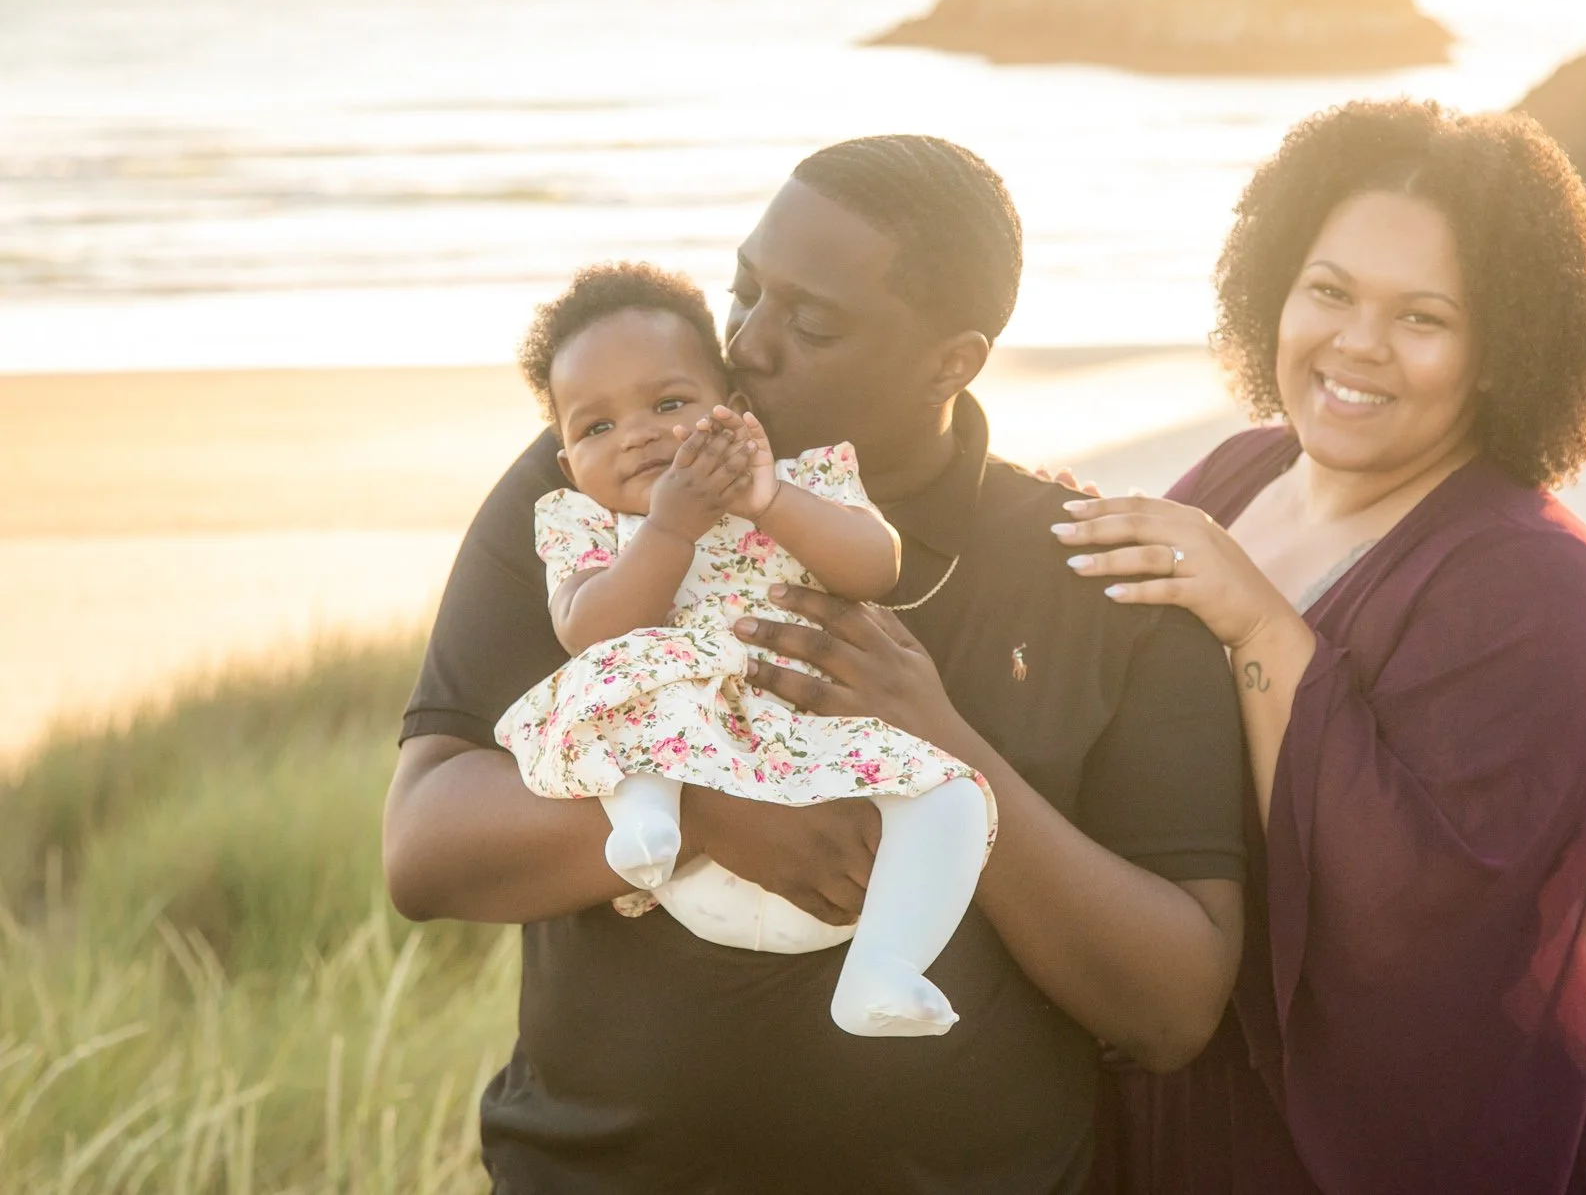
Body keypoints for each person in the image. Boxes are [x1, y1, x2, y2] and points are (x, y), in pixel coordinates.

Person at [383, 135, 1247, 1193]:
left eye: (811, 321)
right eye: (743, 288)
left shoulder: (1086, 572)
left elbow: (1172, 1007)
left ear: (953, 360)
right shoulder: (605, 491)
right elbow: (423, 847)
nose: (745, 343)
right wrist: (710, 808)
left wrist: (950, 747)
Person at [1070, 101, 1586, 1192]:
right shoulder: (1237, 473)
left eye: (1422, 318)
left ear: (1501, 349)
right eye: (1328, 291)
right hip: (1183, 1103)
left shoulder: (1543, 592)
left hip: (1379, 1144)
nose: (1355, 344)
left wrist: (1257, 622)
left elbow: (1423, 932)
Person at [491, 262, 995, 1038]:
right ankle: (649, 822)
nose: (638, 434)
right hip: (686, 767)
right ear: (567, 463)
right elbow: (590, 631)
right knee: (622, 682)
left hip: (804, 743)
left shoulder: (795, 481)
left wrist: (768, 500)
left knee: (957, 797)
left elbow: (876, 564)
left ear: (732, 410)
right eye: (596, 427)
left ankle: (883, 969)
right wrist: (669, 527)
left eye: (669, 403)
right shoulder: (582, 523)